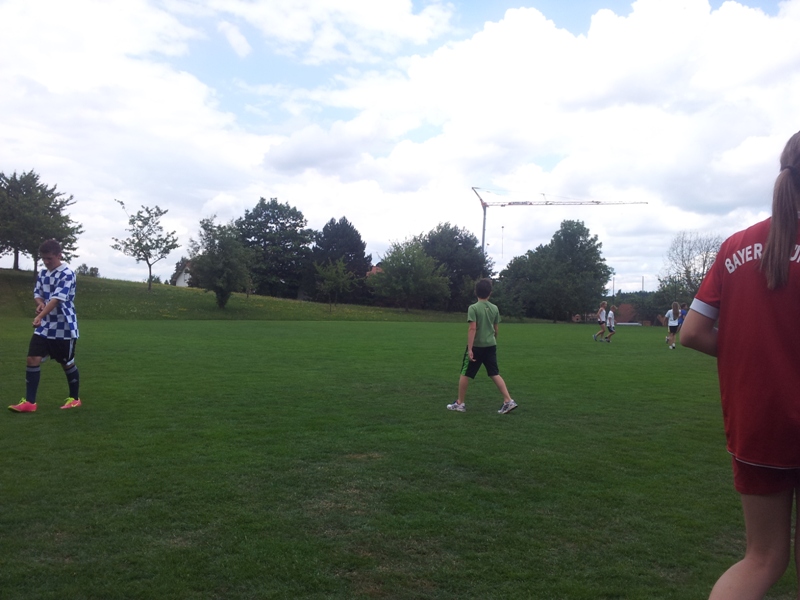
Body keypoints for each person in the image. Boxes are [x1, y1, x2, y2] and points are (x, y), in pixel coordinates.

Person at [681, 130, 800, 599]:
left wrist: (752, 353)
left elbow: (692, 332)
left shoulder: (735, 246)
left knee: (762, 558)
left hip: (756, 426)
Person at [8, 239, 82, 413]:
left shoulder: (67, 273)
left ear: (59, 255)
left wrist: (39, 316)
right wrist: (40, 303)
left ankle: (75, 399)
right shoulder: (43, 273)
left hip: (63, 326)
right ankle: (30, 402)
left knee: (66, 363)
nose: (46, 262)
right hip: (45, 325)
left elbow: (56, 299)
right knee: (32, 358)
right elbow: (37, 293)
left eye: (50, 258)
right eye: (44, 258)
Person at [447, 278, 517, 415]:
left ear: (475, 292)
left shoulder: (473, 308)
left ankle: (460, 403)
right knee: (494, 373)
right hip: (491, 345)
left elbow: (472, 328)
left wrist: (470, 348)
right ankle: (508, 400)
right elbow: (496, 329)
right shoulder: (495, 308)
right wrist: (493, 340)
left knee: (465, 373)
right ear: (490, 292)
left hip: (477, 346)